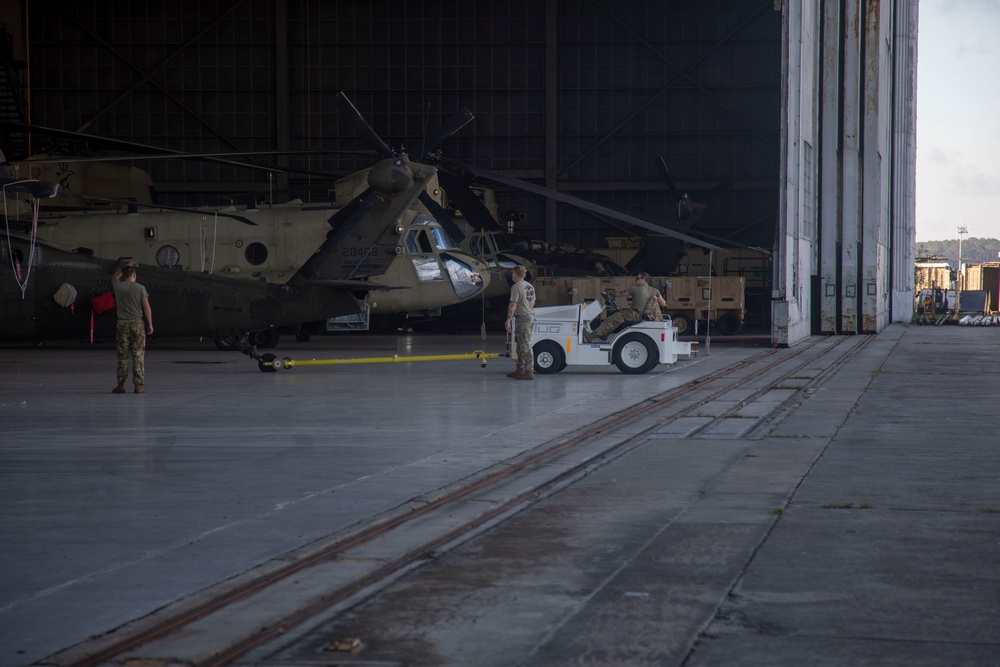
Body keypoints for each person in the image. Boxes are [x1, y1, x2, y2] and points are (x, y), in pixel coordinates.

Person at [584, 272, 666, 342]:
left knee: (614, 318)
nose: (635, 280)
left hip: (635, 314)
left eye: (637, 278)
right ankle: (604, 334)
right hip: (645, 316)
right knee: (619, 316)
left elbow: (619, 294)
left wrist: (608, 294)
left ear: (644, 280)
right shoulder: (655, 291)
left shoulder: (635, 289)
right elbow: (663, 304)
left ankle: (591, 336)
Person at [110, 261, 154, 393]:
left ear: (124, 276)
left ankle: (121, 385)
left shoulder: (118, 286)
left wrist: (125, 266)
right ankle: (139, 385)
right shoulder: (140, 288)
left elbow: (114, 277)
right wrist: (150, 324)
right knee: (138, 354)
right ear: (134, 276)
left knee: (123, 356)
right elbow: (146, 308)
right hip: (137, 324)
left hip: (122, 323)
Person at [505, 265, 536, 380]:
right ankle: (520, 369)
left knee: (526, 345)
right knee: (520, 345)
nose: (512, 275)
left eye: (513, 273)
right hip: (529, 316)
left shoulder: (516, 287)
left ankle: (529, 371)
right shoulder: (530, 286)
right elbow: (533, 302)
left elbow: (513, 305)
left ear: (516, 275)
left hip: (523, 318)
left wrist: (508, 320)